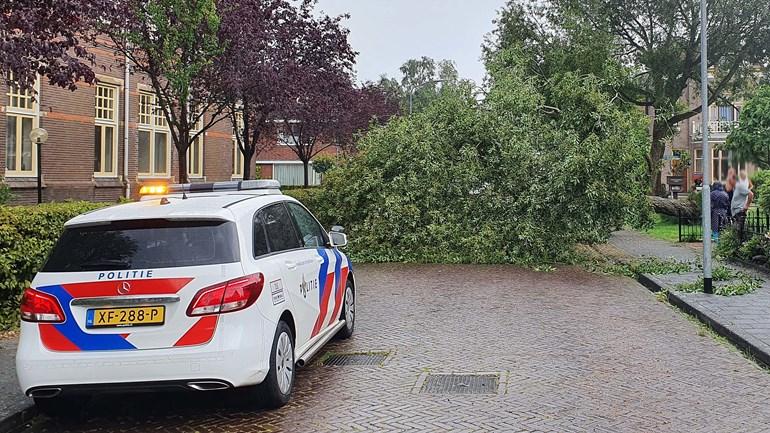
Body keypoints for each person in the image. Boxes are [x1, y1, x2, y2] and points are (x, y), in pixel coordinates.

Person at [731, 170, 754, 240]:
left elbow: (751, 194)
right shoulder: (739, 186)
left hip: (739, 211)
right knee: (738, 231)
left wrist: (746, 206)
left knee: (739, 232)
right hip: (737, 211)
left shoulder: (741, 186)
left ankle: (739, 246)